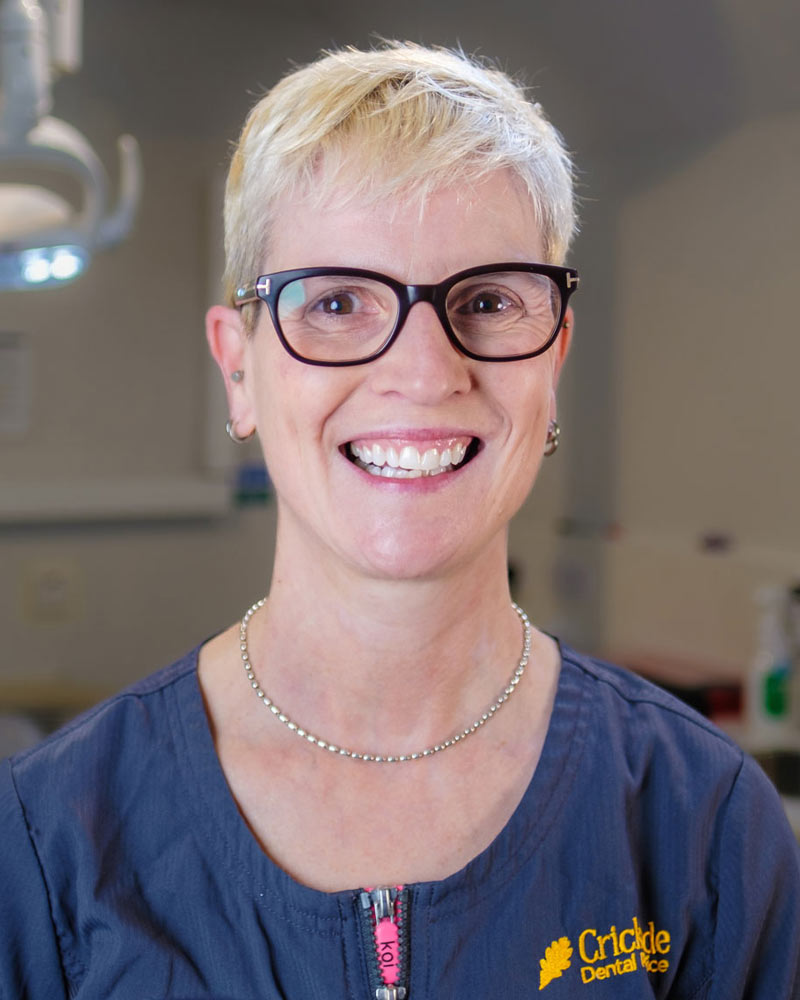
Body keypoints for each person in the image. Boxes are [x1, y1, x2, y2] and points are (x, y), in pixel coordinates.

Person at [1, 41, 798, 1000]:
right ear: (238, 366)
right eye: (337, 301)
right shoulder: (50, 844)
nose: (424, 373)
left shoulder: (700, 825)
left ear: (554, 359)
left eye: (490, 301)